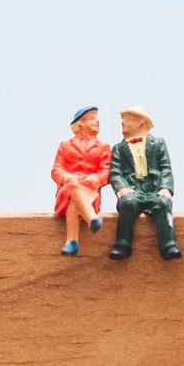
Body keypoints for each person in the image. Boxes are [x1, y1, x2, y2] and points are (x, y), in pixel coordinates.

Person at [107, 105, 181, 260]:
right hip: (132, 190)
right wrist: (122, 188)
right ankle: (122, 244)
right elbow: (115, 172)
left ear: (140, 122)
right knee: (128, 203)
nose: (123, 124)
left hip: (154, 190)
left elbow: (165, 168)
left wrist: (165, 188)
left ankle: (169, 244)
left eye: (127, 121)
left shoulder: (158, 143)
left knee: (163, 203)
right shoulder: (118, 148)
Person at [50, 105, 111, 256]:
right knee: (72, 187)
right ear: (80, 123)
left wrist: (96, 178)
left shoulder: (103, 147)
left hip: (90, 196)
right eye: (91, 119)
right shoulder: (65, 145)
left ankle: (72, 241)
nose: (97, 122)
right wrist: (67, 176)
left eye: (97, 119)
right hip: (65, 193)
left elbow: (108, 172)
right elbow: (56, 170)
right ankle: (92, 219)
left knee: (74, 198)